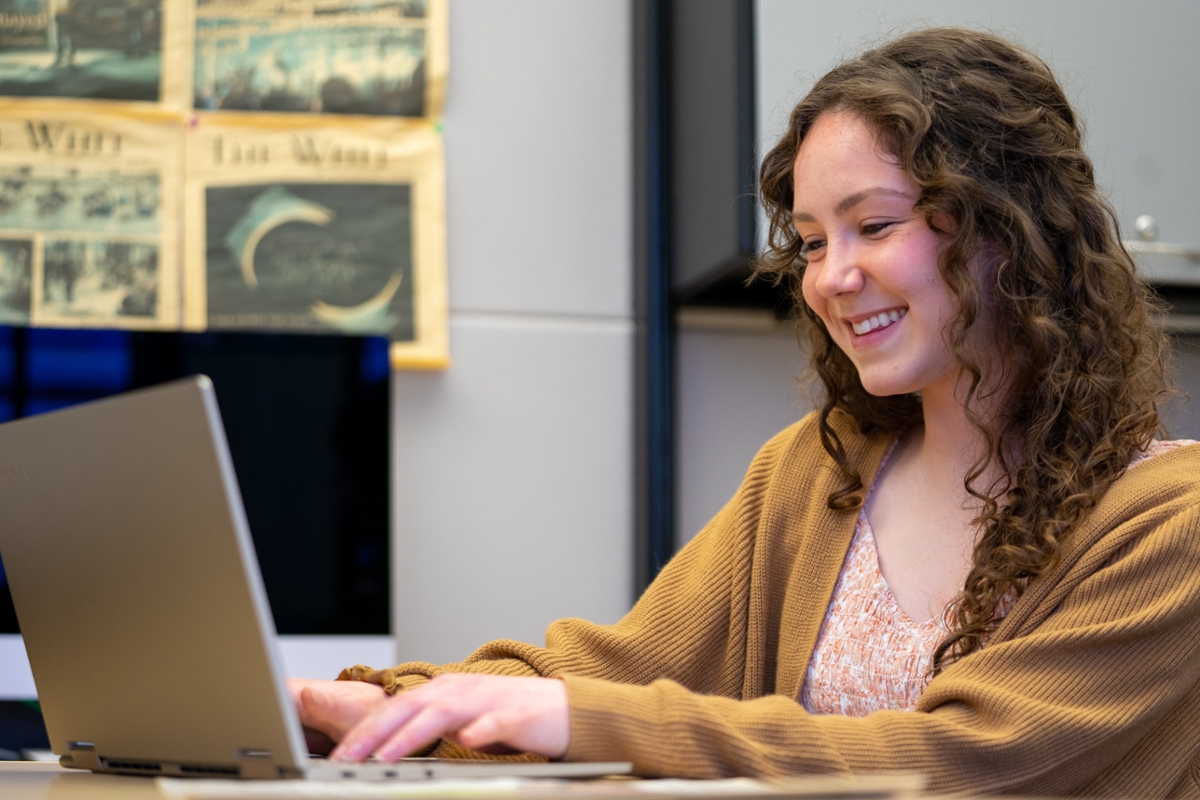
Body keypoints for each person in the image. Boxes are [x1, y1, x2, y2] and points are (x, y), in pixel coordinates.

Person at [289, 28, 1200, 796]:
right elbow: (610, 670)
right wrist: (389, 702)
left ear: (1014, 228)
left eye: (874, 226)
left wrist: (589, 720)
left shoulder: (1170, 522)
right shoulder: (818, 471)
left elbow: (961, 763)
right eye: (812, 242)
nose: (832, 277)